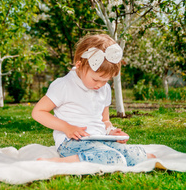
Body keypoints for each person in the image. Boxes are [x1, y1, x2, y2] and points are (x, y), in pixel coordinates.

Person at [32, 34, 155, 166]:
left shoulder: (105, 89)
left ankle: (125, 155)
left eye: (106, 80)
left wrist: (111, 131)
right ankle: (58, 162)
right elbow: (38, 112)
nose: (100, 85)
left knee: (136, 156)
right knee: (114, 159)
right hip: (72, 142)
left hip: (100, 139)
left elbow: (105, 120)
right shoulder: (64, 85)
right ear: (79, 65)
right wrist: (67, 127)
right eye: (96, 79)